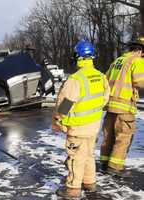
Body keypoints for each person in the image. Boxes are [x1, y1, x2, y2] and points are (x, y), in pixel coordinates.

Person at [52, 40, 110, 199]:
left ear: (78, 57)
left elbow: (65, 105)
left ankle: (72, 189)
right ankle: (90, 183)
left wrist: (58, 120)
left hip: (77, 128)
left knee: (75, 158)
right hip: (93, 127)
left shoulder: (76, 79)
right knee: (89, 155)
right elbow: (105, 100)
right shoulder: (100, 76)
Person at [100, 37, 144, 177]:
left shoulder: (118, 60)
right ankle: (115, 167)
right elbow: (140, 82)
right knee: (123, 137)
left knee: (109, 136)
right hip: (124, 106)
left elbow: (105, 80)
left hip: (110, 105)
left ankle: (105, 163)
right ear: (140, 50)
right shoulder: (136, 61)